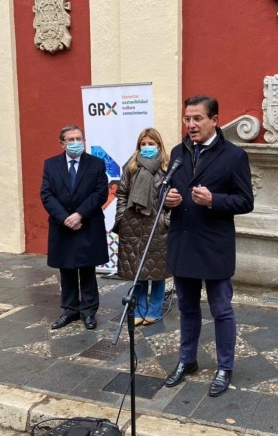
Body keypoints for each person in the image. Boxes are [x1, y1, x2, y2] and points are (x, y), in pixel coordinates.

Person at [164, 94, 254, 397]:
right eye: (187, 118)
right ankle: (187, 360)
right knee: (187, 308)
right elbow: (165, 189)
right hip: (182, 243)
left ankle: (225, 367)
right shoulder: (178, 152)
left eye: (197, 118)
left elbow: (246, 201)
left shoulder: (233, 155)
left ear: (214, 120)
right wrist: (168, 200)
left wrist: (215, 200)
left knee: (221, 310)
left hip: (214, 246)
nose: (191, 124)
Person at [40, 124, 109, 330]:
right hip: (62, 226)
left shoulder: (96, 164)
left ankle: (88, 311)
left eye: (79, 138)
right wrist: (65, 218)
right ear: (62, 143)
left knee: (87, 269)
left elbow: (100, 193)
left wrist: (79, 214)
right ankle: (70, 310)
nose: (76, 143)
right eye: (70, 140)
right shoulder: (51, 165)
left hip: (87, 224)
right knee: (67, 268)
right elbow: (47, 194)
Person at [113, 128, 171, 326]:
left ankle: (154, 311)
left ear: (159, 145)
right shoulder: (130, 166)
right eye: (143, 144)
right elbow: (121, 194)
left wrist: (166, 220)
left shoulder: (167, 167)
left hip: (157, 226)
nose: (147, 147)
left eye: (151, 144)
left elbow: (174, 197)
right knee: (138, 272)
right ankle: (139, 310)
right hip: (133, 226)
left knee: (157, 272)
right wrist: (121, 217)